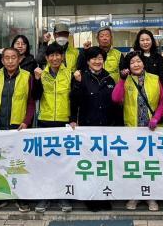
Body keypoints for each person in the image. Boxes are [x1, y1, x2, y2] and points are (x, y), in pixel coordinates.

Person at [111, 51, 163, 212]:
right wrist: (122, 80)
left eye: (138, 61)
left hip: (152, 130)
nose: (136, 64)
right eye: (132, 62)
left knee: (151, 164)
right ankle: (135, 194)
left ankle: (151, 196)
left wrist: (156, 117)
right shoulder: (125, 80)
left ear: (143, 63)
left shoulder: (155, 79)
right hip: (133, 130)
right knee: (135, 164)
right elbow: (115, 98)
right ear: (128, 66)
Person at [0, 47, 35, 213]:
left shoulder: (27, 76)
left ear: (19, 59)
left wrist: (26, 121)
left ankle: (21, 197)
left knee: (18, 162)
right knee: (0, 162)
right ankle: (0, 196)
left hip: (18, 127)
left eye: (13, 57)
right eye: (7, 58)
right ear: (2, 60)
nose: (10, 61)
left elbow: (31, 102)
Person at [70, 46, 121, 211]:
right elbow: (74, 101)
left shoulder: (109, 79)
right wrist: (73, 120)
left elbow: (115, 105)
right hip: (88, 128)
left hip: (106, 129)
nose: (97, 61)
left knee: (104, 165)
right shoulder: (81, 78)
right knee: (89, 165)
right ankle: (90, 198)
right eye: (94, 58)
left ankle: (104, 195)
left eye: (100, 58)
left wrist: (117, 126)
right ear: (88, 61)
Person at [32, 43, 74, 213]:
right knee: (46, 161)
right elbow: (35, 96)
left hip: (64, 122)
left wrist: (73, 119)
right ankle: (45, 196)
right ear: (47, 58)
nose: (55, 58)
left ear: (62, 57)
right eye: (52, 55)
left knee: (63, 161)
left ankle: (63, 196)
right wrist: (36, 80)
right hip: (45, 121)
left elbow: (74, 99)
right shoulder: (41, 74)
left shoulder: (70, 74)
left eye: (58, 55)